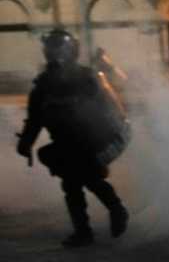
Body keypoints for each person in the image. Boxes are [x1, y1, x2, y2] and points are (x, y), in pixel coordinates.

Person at [16, 29, 130, 248]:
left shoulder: (88, 77)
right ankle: (85, 229)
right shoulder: (43, 84)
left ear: (71, 51)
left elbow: (110, 110)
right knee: (72, 184)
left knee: (87, 178)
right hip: (65, 143)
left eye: (58, 48)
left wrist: (106, 141)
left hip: (90, 140)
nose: (54, 54)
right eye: (51, 49)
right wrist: (26, 143)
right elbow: (35, 118)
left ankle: (114, 210)